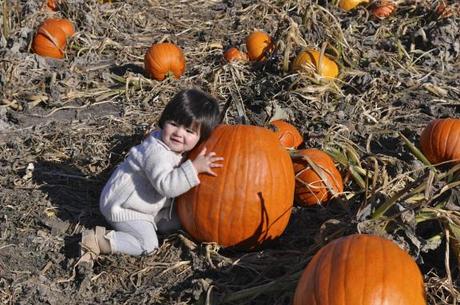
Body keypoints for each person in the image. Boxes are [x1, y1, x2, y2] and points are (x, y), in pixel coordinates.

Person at [80, 88, 223, 260]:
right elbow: (167, 186)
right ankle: (98, 241)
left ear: (201, 138)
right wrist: (194, 168)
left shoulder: (175, 149)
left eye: (189, 131)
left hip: (147, 205)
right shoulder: (156, 152)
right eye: (174, 124)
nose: (179, 133)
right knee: (148, 245)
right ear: (164, 120)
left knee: (179, 223)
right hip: (124, 208)